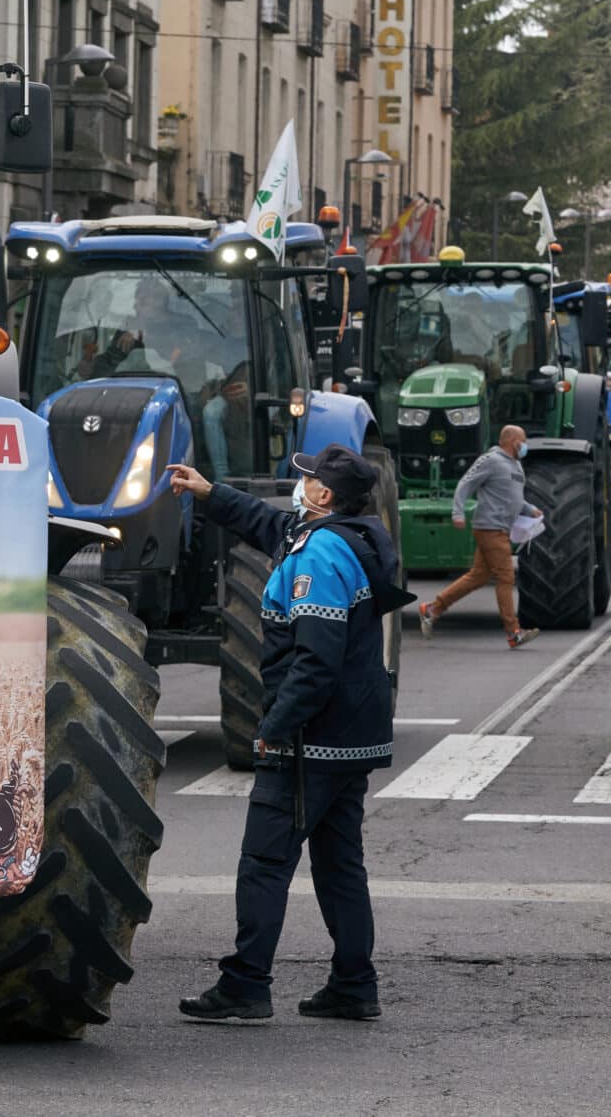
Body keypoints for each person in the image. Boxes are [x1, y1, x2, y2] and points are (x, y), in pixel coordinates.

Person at [168, 444, 414, 1023]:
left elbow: (315, 664)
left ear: (324, 495)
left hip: (311, 739)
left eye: (306, 480)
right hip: (353, 736)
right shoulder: (348, 534)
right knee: (339, 864)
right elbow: (270, 523)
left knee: (264, 862)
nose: (297, 484)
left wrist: (274, 731)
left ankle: (246, 984)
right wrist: (210, 493)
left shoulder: (319, 557)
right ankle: (355, 985)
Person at [418, 424, 539, 648]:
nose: (525, 445)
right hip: (490, 528)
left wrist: (531, 510)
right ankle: (513, 632)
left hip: (501, 528)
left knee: (478, 577)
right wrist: (457, 512)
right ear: (512, 441)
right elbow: (466, 483)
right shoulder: (491, 460)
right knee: (505, 578)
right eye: (523, 440)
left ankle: (432, 609)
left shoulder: (515, 466)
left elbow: (512, 498)